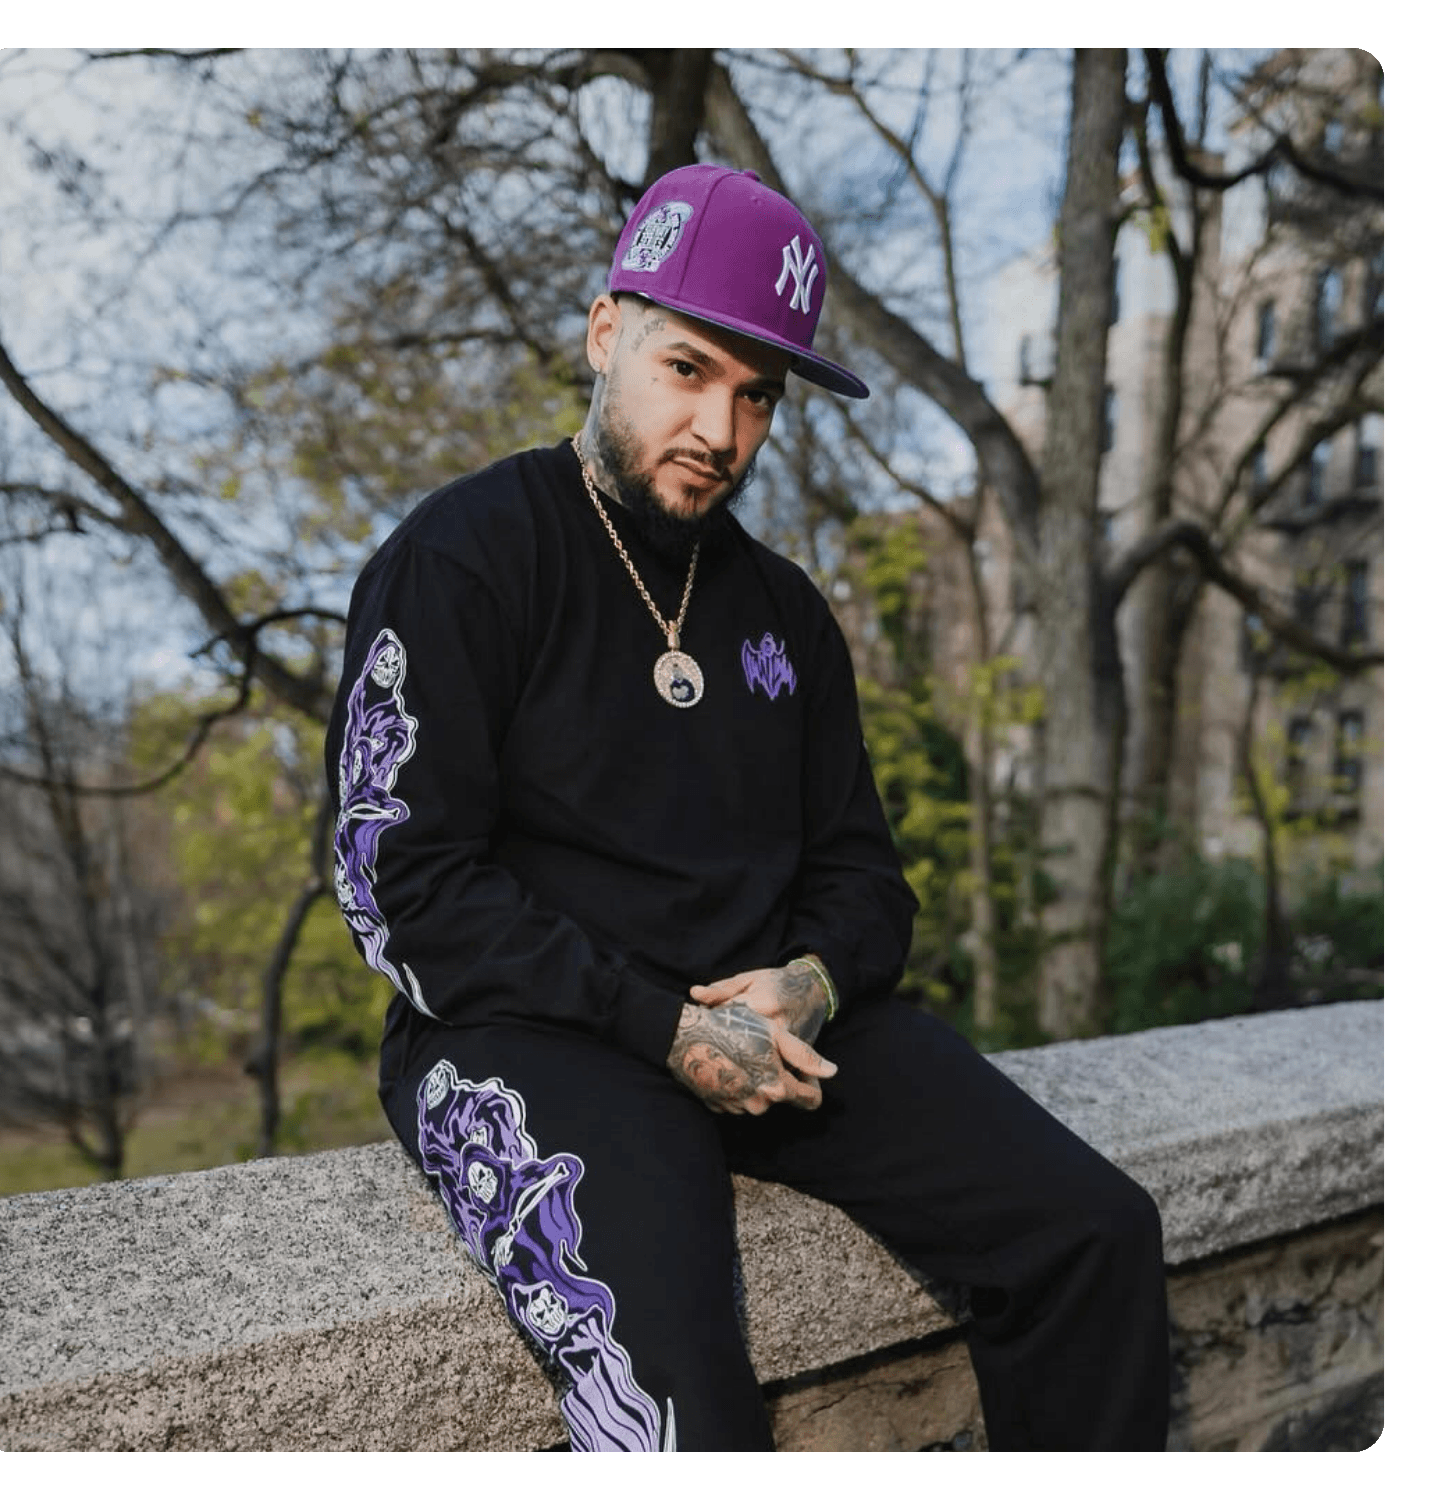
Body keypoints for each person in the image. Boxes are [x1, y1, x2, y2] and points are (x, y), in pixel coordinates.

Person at [326, 163, 1171, 1452]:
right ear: (606, 334)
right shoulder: (465, 557)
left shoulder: (783, 613)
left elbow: (867, 881)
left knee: (1095, 1234)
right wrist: (655, 1028)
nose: (721, 430)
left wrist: (813, 985)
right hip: (529, 1033)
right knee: (683, 1411)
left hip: (772, 1026)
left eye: (756, 395)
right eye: (687, 369)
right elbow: (397, 881)